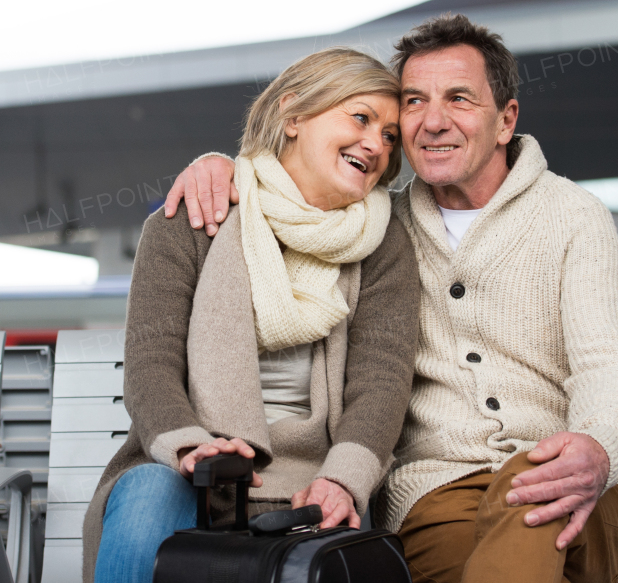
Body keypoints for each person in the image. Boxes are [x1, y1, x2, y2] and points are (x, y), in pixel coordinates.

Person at [164, 14, 618, 583]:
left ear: (505, 120)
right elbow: (291, 183)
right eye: (415, 101)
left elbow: (608, 369)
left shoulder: (574, 217)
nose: (433, 121)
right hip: (438, 493)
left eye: (459, 99)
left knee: (531, 492)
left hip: (572, 482)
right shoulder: (376, 227)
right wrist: (220, 166)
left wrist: (597, 448)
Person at [85, 47, 422, 583]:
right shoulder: (195, 216)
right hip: (188, 465)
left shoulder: (384, 244)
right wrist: (192, 445)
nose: (375, 144)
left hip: (317, 473)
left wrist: (344, 479)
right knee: (147, 498)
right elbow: (150, 363)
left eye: (389, 136)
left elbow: (381, 384)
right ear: (293, 115)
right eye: (360, 117)